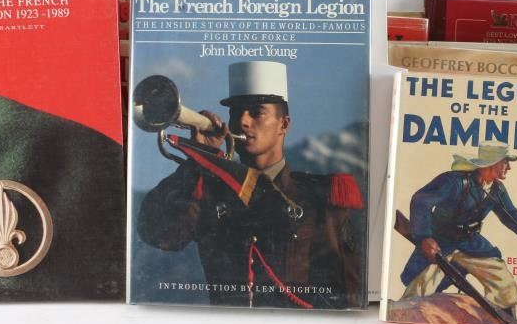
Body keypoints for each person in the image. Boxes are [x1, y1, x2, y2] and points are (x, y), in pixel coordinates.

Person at [137, 61, 364, 309]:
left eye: (257, 112)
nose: (243, 121)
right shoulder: (209, 190)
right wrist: (198, 160)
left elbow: (347, 294)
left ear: (284, 124)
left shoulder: (318, 196)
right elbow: (156, 233)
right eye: (236, 113)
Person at [399, 143, 517, 318]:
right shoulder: (454, 181)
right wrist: (424, 237)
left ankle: (506, 321)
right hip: (441, 240)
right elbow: (421, 201)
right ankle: (405, 316)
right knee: (421, 286)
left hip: (471, 242)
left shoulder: (497, 189)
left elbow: (509, 214)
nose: (509, 168)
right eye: (505, 162)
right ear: (491, 163)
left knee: (503, 282)